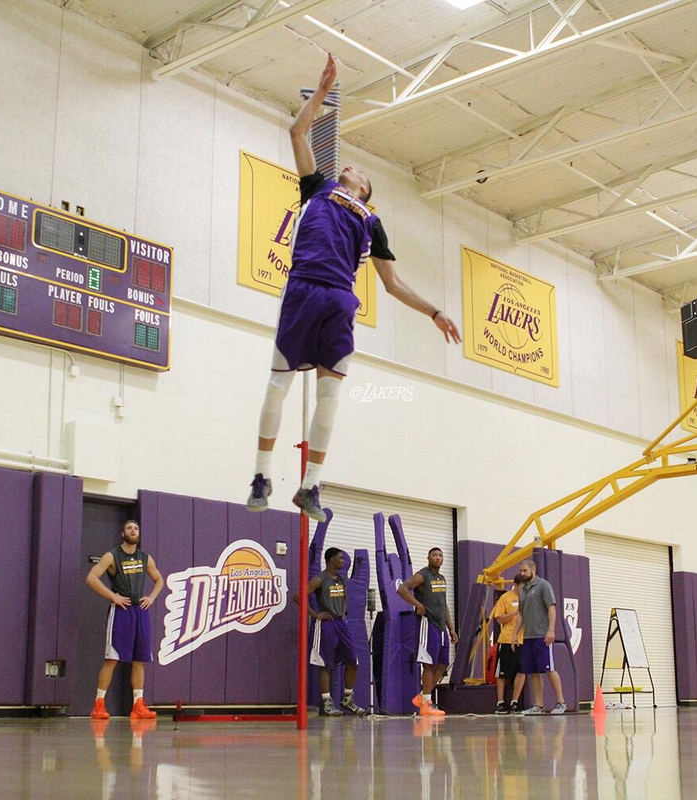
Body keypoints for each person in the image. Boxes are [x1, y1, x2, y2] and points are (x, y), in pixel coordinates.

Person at [246, 53, 462, 522]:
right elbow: (297, 133)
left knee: (330, 396)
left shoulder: (373, 221)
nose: (354, 168)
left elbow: (392, 283)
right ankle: (262, 475)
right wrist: (321, 94)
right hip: (304, 287)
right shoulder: (318, 188)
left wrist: (434, 311)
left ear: (365, 190)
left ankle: (311, 487)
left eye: (362, 172)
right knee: (278, 384)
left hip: (342, 300)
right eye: (353, 167)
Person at [85, 519, 163, 720]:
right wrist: (113, 597)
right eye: (129, 528)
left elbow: (159, 580)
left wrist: (152, 597)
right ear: (123, 533)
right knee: (112, 658)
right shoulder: (112, 555)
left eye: (136, 528)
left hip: (140, 612)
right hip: (121, 611)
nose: (133, 530)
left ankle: (138, 705)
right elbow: (92, 577)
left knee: (140, 660)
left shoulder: (145, 558)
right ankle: (98, 705)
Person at [302, 547, 366, 717]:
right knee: (325, 664)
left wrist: (343, 612)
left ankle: (347, 699)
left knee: (353, 661)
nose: (343, 561)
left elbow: (345, 597)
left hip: (340, 623)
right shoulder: (320, 579)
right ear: (331, 560)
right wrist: (315, 614)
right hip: (325, 624)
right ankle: (327, 702)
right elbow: (298, 596)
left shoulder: (342, 580)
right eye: (340, 558)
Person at [398, 547, 457, 716]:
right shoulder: (422, 575)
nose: (438, 558)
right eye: (434, 555)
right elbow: (402, 588)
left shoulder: (442, 578)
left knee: (443, 664)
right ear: (428, 557)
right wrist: (418, 605)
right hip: (427, 623)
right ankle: (426, 704)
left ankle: (422, 696)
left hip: (441, 627)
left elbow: (443, 604)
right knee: (429, 665)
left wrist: (451, 627)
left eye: (440, 555)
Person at [515, 559, 567, 715]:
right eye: (521, 571)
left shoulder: (544, 585)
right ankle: (539, 705)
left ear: (533, 569)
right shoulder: (522, 589)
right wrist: (515, 634)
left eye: (525, 570)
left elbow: (551, 607)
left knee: (549, 669)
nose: (522, 573)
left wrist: (551, 629)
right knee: (533, 672)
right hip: (528, 636)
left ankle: (560, 702)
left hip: (542, 635)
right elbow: (520, 614)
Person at [492, 573, 527, 714]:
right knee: (502, 672)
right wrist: (513, 614)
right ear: (516, 585)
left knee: (521, 670)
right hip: (507, 639)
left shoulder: (529, 598)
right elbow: (499, 618)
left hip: (523, 639)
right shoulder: (505, 598)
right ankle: (500, 702)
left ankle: (515, 701)